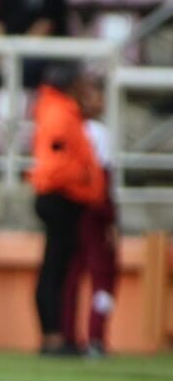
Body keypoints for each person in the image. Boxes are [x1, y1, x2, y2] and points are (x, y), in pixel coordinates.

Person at [29, 63, 105, 357]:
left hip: (62, 197)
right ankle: (53, 337)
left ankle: (56, 335)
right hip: (60, 198)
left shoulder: (62, 111)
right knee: (55, 271)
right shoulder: (60, 114)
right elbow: (57, 163)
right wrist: (83, 181)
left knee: (58, 269)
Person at [60, 74, 118, 357]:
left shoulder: (66, 127)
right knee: (103, 275)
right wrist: (110, 219)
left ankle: (67, 336)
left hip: (69, 210)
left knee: (71, 275)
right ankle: (96, 336)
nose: (102, 101)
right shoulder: (98, 133)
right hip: (94, 212)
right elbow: (103, 178)